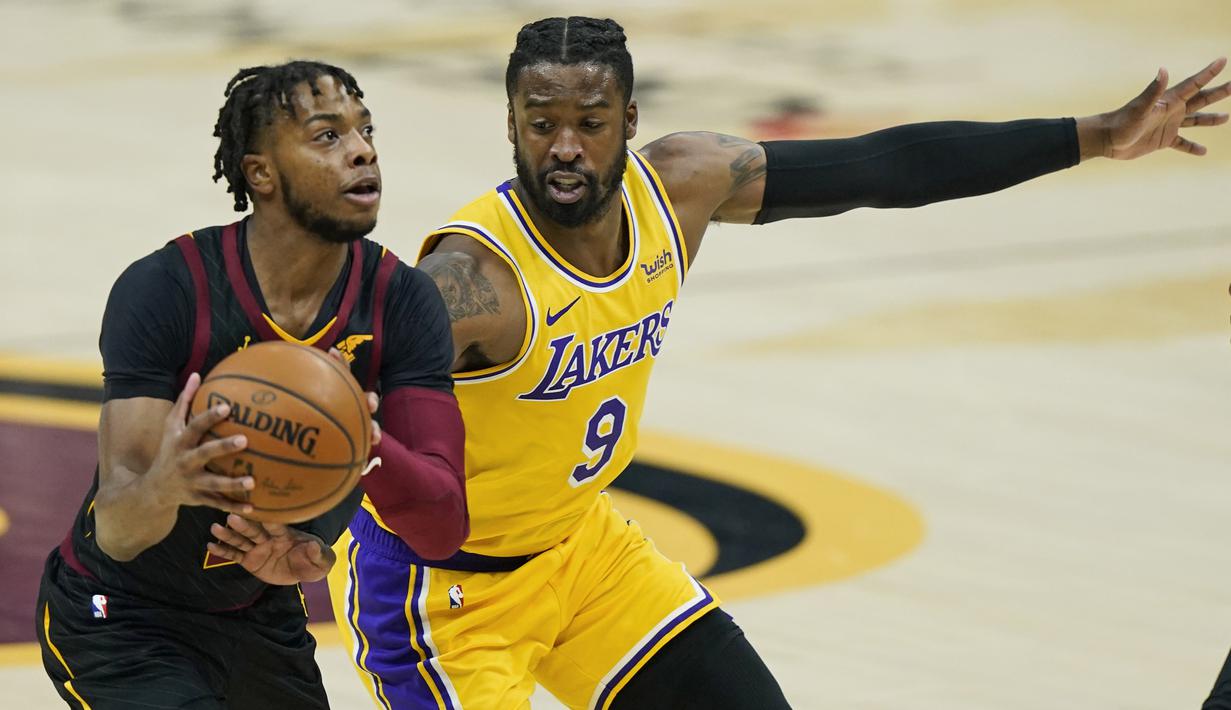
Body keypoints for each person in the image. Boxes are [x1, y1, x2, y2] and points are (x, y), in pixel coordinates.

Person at [327, 16, 1231, 710]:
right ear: (512, 124)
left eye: (590, 122)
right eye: (540, 122)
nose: (564, 146)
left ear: (628, 121)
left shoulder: (681, 186)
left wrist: (1098, 134)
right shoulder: (469, 282)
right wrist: (275, 530)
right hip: (442, 602)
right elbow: (322, 409)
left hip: (580, 552)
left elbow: (885, 167)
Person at [34, 60, 468, 709]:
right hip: (118, 615)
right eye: (327, 136)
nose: (362, 150)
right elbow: (120, 530)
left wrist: (360, 451)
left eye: (365, 129)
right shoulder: (169, 288)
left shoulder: (401, 301)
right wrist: (168, 484)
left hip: (257, 612)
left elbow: (442, 527)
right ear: (261, 172)